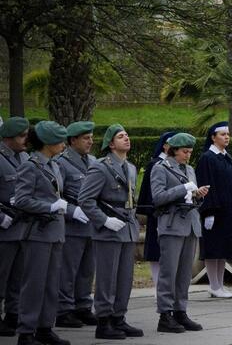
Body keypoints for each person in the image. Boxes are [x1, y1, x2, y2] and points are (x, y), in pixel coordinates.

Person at [78, 124, 143, 339]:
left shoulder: (131, 168)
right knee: (107, 278)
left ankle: (119, 318)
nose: (127, 139)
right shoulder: (100, 167)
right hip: (108, 230)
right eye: (121, 136)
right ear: (111, 143)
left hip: (127, 228)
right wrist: (104, 220)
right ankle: (104, 321)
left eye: (127, 135)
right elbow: (85, 199)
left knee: (125, 277)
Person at [14, 121, 69, 345]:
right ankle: (26, 332)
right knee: (34, 283)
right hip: (37, 232)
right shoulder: (30, 165)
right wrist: (48, 207)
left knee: (51, 283)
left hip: (55, 231)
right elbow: (22, 199)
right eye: (60, 140)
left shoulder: (54, 165)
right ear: (47, 143)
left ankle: (45, 327)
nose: (64, 144)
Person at [150, 133, 207, 332]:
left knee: (184, 274)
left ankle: (180, 310)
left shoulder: (189, 169)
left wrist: (198, 195)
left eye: (190, 152)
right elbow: (157, 197)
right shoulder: (161, 168)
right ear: (173, 151)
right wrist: (183, 189)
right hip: (172, 225)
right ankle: (164, 315)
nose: (188, 155)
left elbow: (191, 197)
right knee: (169, 272)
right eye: (184, 152)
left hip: (190, 224)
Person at [54, 122, 97, 329]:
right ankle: (64, 309)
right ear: (72, 141)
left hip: (92, 224)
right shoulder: (61, 163)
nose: (91, 141)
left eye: (91, 137)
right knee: (68, 270)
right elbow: (56, 195)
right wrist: (72, 211)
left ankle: (83, 305)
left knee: (87, 270)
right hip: (72, 225)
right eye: (86, 138)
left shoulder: (94, 161)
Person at [195, 121, 232, 299]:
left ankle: (219, 284)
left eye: (228, 134)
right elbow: (206, 184)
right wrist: (209, 211)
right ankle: (214, 285)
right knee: (213, 249)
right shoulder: (208, 158)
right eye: (222, 134)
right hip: (215, 211)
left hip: (228, 211)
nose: (226, 137)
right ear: (213, 137)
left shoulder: (226, 156)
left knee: (223, 250)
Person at [0, 117, 29, 337]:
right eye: (21, 136)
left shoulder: (25, 157)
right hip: (4, 230)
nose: (25, 140)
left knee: (18, 278)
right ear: (8, 138)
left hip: (23, 228)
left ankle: (13, 315)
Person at [135, 131, 175, 289]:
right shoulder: (155, 164)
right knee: (155, 250)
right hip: (157, 213)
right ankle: (159, 285)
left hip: (172, 215)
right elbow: (149, 192)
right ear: (165, 146)